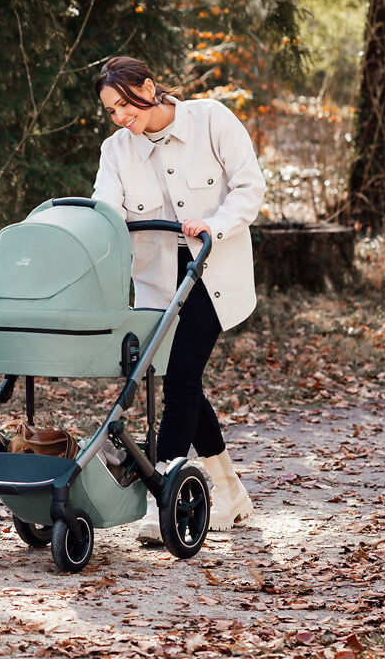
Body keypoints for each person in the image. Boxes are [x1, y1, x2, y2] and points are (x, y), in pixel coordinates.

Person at [90, 56, 264, 543]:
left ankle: (161, 490)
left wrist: (215, 225)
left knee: (182, 378)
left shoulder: (211, 119)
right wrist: (97, 223)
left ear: (149, 87)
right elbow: (106, 204)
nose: (122, 116)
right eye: (111, 110)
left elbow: (250, 187)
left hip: (213, 273)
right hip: (159, 285)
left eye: (127, 104)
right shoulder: (116, 150)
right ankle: (229, 492)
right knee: (180, 378)